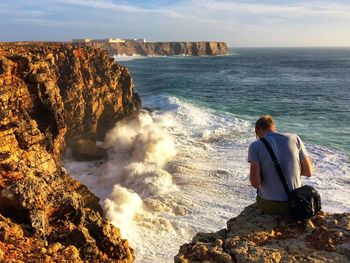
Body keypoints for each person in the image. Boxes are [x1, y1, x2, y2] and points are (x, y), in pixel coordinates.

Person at [248, 114, 313, 216]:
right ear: (274, 128)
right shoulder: (294, 138)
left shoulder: (255, 146)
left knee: (259, 197)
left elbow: (255, 183)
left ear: (258, 130)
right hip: (297, 202)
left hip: (271, 206)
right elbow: (309, 172)